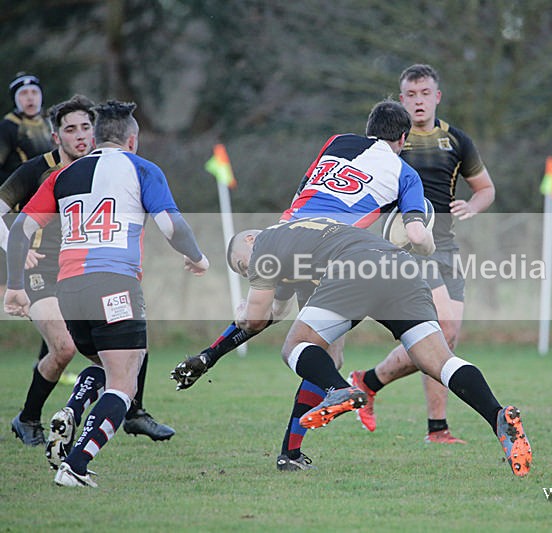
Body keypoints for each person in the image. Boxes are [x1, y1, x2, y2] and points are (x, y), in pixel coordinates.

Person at [178, 99, 435, 471]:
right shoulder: (403, 170)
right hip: (332, 253)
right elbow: (413, 231)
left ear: (368, 129)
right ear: (403, 137)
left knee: (286, 327)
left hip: (292, 238)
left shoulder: (334, 142)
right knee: (324, 354)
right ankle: (300, 438)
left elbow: (304, 193)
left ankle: (212, 356)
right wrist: (425, 242)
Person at [172, 218, 532, 477]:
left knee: (295, 347)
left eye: (242, 266)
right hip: (400, 267)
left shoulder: (266, 245)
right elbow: (273, 313)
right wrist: (210, 355)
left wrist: (234, 323)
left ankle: (341, 390)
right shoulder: (296, 240)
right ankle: (499, 417)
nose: (247, 273)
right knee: (437, 360)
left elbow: (253, 318)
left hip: (356, 268)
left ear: (251, 240)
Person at [4, 100, 209, 487]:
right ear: (132, 140)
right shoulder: (141, 167)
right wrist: (198, 258)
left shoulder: (63, 175)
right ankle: (76, 465)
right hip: (113, 284)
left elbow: (20, 230)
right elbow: (171, 225)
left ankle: (72, 408)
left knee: (104, 364)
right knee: (124, 384)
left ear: (94, 137)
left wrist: (15, 286)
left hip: (69, 290)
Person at [350, 64, 496, 444]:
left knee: (447, 339)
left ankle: (388, 395)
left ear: (437, 96)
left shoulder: (456, 140)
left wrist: (473, 206)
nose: (418, 101)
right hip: (407, 247)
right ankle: (373, 386)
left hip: (445, 246)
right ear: (401, 99)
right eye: (411, 95)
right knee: (441, 330)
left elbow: (485, 188)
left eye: (424, 93)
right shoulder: (387, 142)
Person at [0, 72, 53, 297]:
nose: (30, 98)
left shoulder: (50, 124)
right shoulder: (8, 128)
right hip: (15, 200)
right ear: (15, 99)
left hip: (46, 199)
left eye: (34, 92)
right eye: (23, 94)